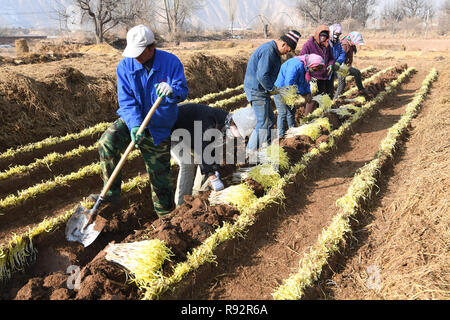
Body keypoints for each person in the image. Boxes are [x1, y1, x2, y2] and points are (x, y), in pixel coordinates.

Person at [89, 25, 188, 217]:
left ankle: (166, 219)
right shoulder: (125, 67)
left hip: (158, 128)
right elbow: (126, 101)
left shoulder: (171, 62)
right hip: (133, 121)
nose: (136, 57)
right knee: (107, 142)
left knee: (160, 182)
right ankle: (111, 193)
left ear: (152, 48)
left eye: (140, 53)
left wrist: (172, 91)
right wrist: (134, 125)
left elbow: (182, 92)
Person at [171, 105, 256, 206]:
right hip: (174, 130)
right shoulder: (209, 121)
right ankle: (181, 204)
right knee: (187, 163)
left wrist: (214, 169)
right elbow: (202, 150)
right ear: (233, 123)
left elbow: (211, 150)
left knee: (208, 164)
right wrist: (212, 176)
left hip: (192, 135)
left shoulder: (224, 126)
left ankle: (198, 194)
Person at [244, 30, 301, 153]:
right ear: (283, 44)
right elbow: (262, 75)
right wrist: (272, 89)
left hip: (261, 90)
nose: (288, 52)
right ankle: (250, 152)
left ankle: (267, 147)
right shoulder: (268, 51)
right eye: (288, 49)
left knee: (270, 121)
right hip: (256, 90)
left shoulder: (274, 52)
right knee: (263, 122)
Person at [273, 53, 325, 137]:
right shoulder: (296, 65)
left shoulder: (306, 67)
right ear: (312, 63)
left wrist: (307, 92)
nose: (316, 71)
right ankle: (280, 136)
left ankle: (292, 133)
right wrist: (302, 93)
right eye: (315, 69)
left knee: (291, 111)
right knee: (283, 113)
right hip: (281, 90)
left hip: (290, 91)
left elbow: (305, 82)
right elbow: (289, 82)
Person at [299, 25, 335, 98]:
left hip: (324, 76)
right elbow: (301, 59)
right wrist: (308, 72)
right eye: (321, 36)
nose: (323, 38)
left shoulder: (327, 45)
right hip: (314, 78)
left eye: (325, 36)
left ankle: (322, 109)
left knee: (323, 97)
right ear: (317, 35)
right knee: (313, 99)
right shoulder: (308, 45)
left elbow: (331, 58)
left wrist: (331, 64)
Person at [334, 31, 369, 99]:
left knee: (357, 73)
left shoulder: (350, 43)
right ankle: (335, 100)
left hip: (345, 66)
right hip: (341, 67)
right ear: (353, 39)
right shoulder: (344, 45)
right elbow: (340, 57)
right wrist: (342, 68)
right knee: (341, 85)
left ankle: (361, 89)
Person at [328, 24, 346, 98]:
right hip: (326, 69)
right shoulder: (327, 42)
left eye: (339, 34)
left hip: (333, 69)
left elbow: (342, 53)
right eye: (336, 34)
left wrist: (338, 62)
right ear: (331, 32)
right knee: (324, 89)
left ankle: (329, 104)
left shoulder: (337, 43)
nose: (337, 36)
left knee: (331, 88)